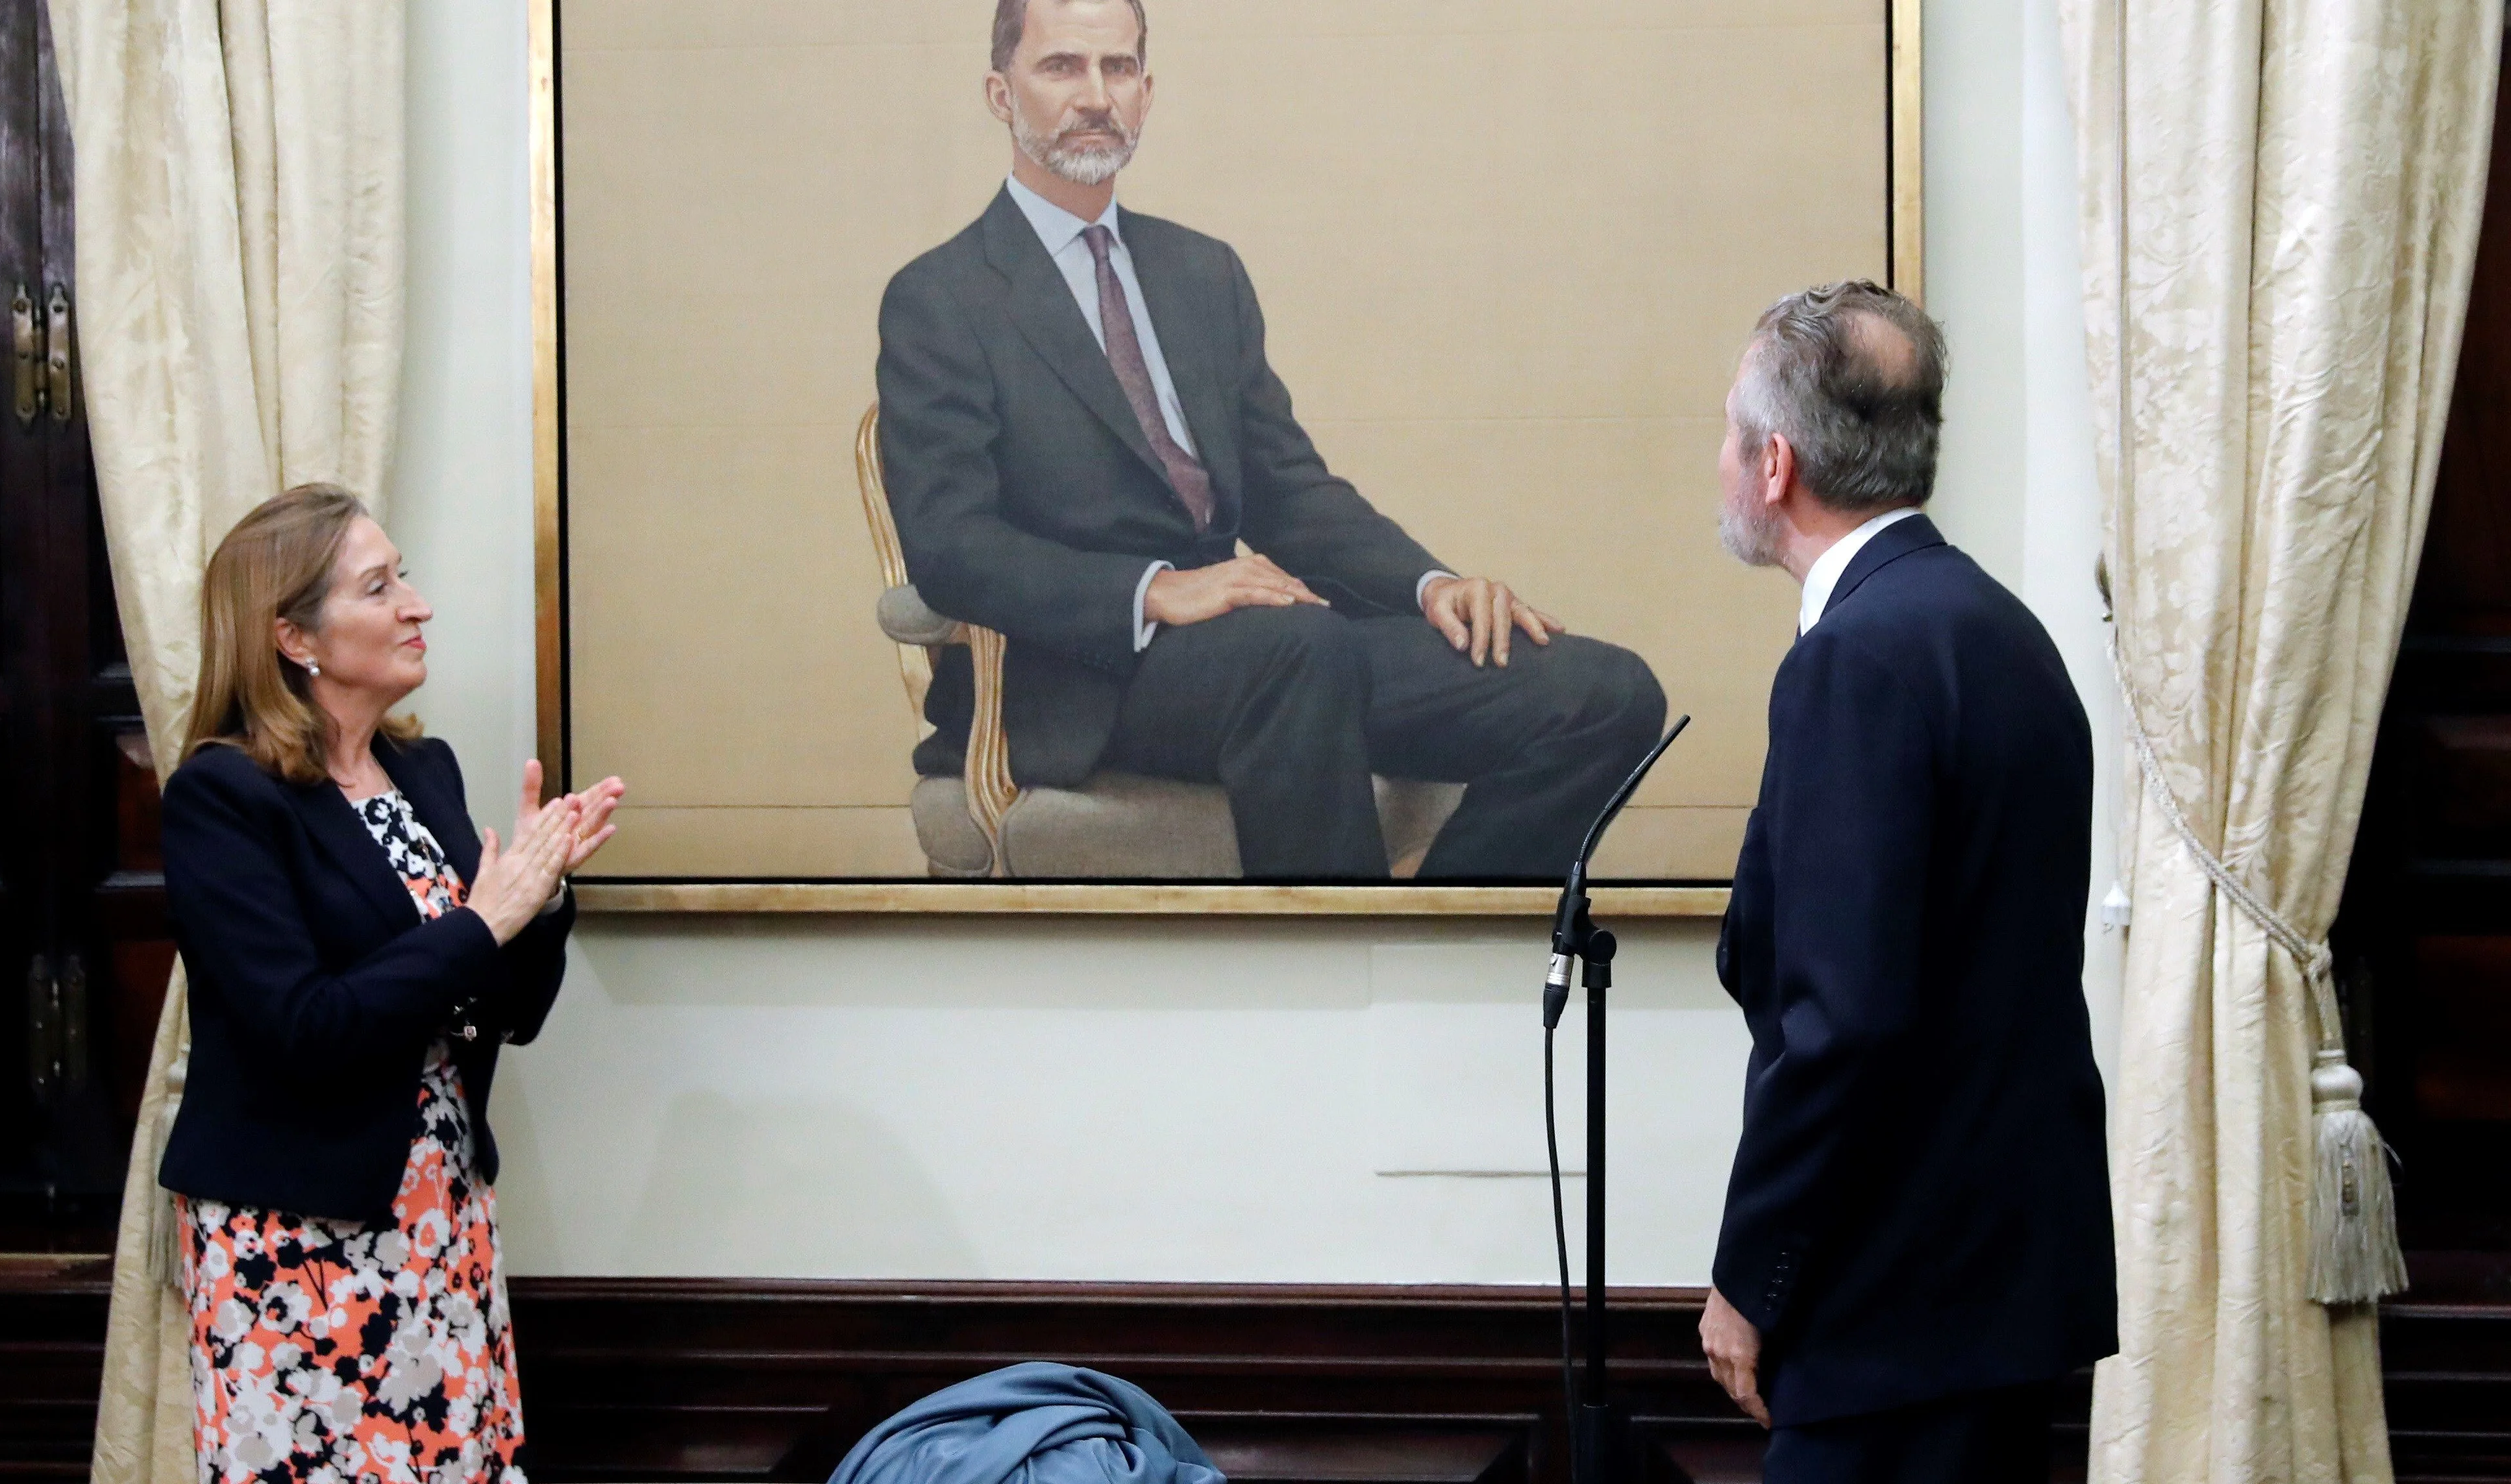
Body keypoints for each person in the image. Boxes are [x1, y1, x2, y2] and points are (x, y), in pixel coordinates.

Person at [874, 0, 1666, 879]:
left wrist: (1429, 582)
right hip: (1087, 676)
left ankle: (1421, 956)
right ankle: (1339, 991)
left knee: (1607, 693)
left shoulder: (1201, 274)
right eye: (1063, 67)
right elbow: (952, 546)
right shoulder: (941, 300)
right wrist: (1157, 589)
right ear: (999, 92)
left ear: (1147, 90)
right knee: (1302, 647)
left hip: (1274, 654)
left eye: (1120, 68)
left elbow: (1289, 489)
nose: (1097, 95)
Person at [1696, 282, 2116, 1481]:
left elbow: (1844, 1022)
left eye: (1731, 429)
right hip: (2005, 1297)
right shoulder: (2002, 632)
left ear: (1775, 463)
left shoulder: (1856, 662)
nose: (1721, 456)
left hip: (1892, 1314)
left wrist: (1749, 1276)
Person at [156, 484, 623, 1484]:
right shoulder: (223, 797)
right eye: (381, 585)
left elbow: (503, 1011)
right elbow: (305, 1025)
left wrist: (537, 900)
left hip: (438, 1218)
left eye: (403, 574)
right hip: (298, 1246)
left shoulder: (427, 773)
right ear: (294, 636)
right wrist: (482, 920)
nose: (417, 604)